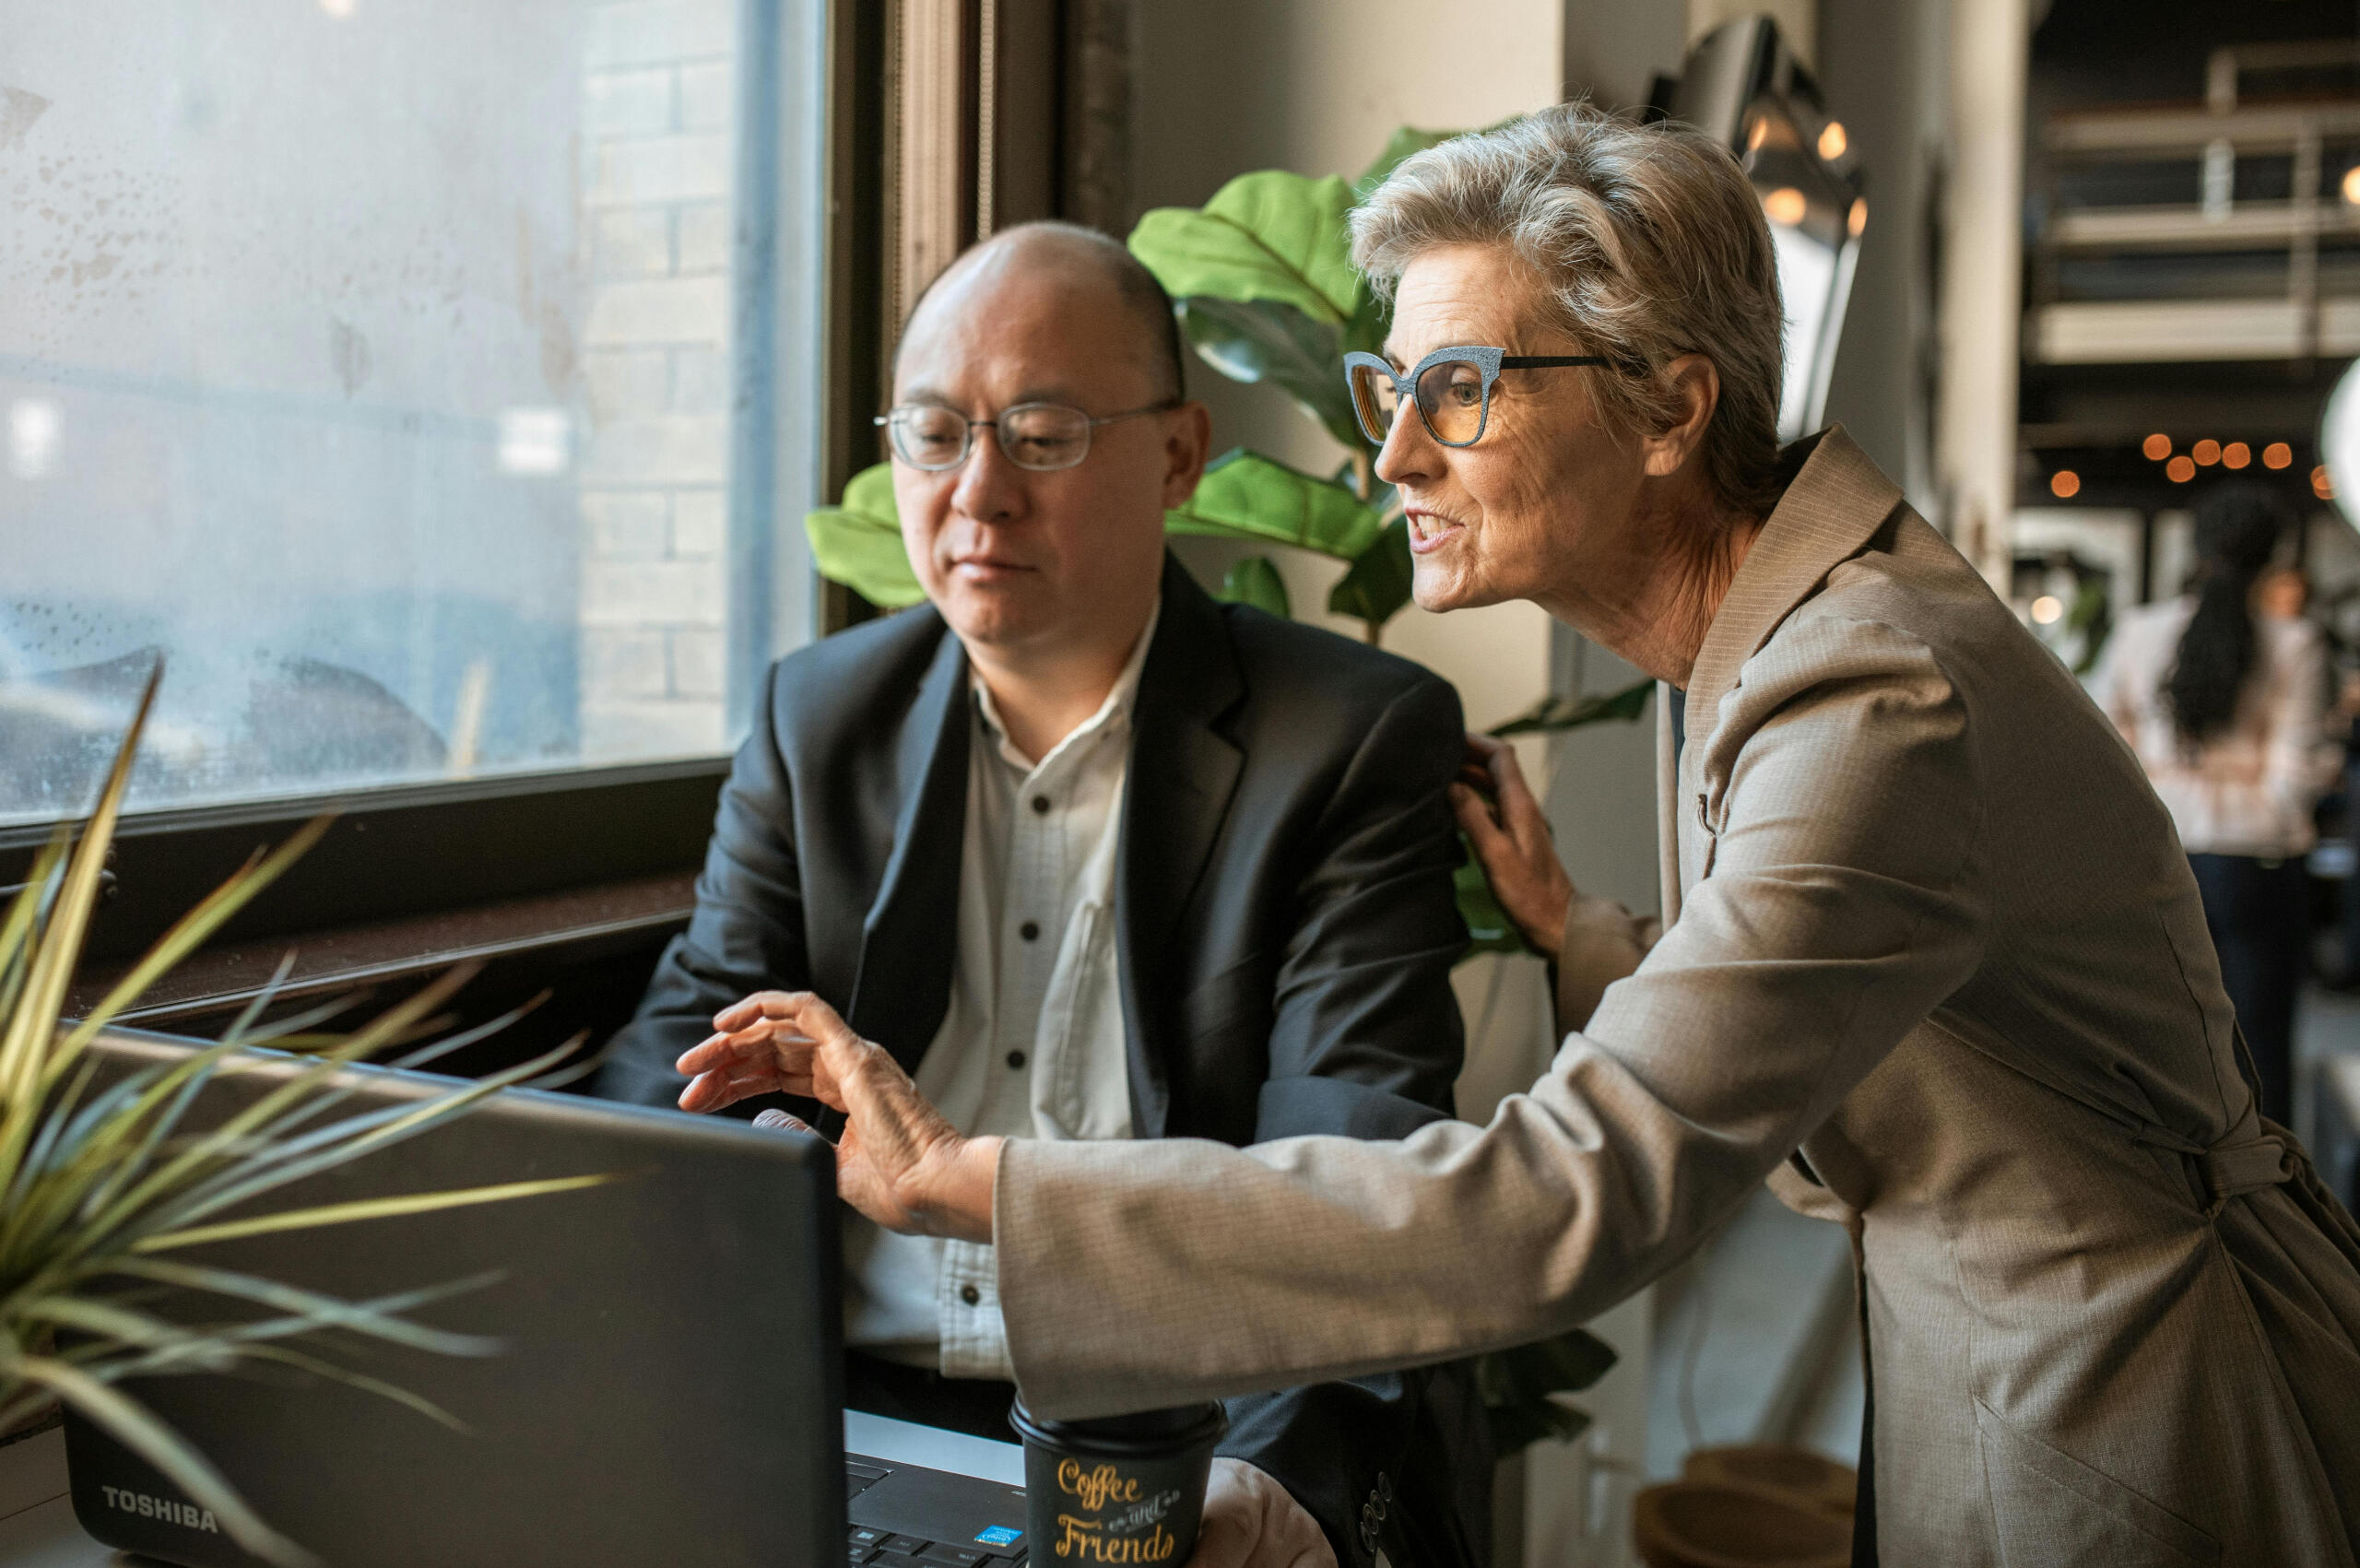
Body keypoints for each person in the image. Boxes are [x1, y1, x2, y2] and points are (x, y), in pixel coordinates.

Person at [672, 108, 2360, 1566]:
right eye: (1390, 387)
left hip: (2133, 1405)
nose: (1394, 449)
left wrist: (977, 1182)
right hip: (2012, 1357)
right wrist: (1596, 942)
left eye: (1459, 388)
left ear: (1668, 407)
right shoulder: (1782, 634)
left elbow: (1570, 1196)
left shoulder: (1868, 696)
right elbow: (1858, 995)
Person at [595, 221, 1492, 1568]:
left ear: (1179, 453)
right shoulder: (815, 721)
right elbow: (674, 1089)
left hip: (1170, 1434)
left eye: (1044, 432)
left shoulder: (1346, 739)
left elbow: (1356, 1177)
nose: (978, 494)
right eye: (936, 433)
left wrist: (1254, 1493)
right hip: (843, 1424)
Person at [2094, 485, 2331, 1126]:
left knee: (2154, 1044)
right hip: (2255, 863)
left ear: (2195, 548)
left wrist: (2172, 790)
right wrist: (2241, 794)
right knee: (2259, 1051)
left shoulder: (2139, 632)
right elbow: (2294, 775)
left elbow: (2110, 756)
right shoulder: (2296, 643)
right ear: (2271, 557)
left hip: (2156, 854)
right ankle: (2269, 1215)